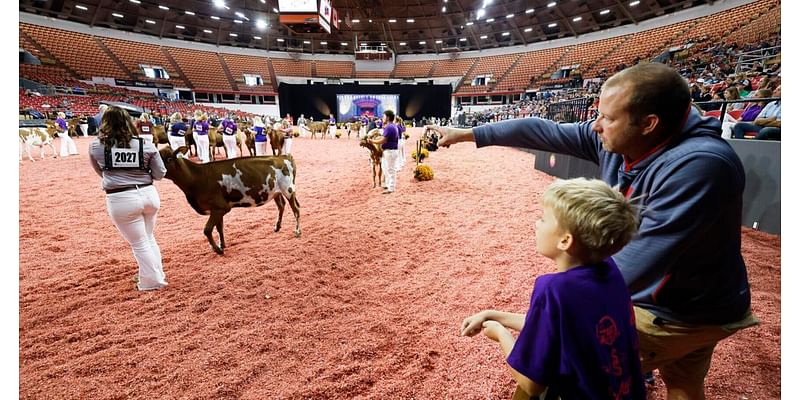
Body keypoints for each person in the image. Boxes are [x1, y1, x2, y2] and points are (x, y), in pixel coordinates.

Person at [430, 63, 757, 399]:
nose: (596, 125)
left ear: (648, 123)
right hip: (702, 302)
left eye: (608, 118)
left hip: (674, 313)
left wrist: (547, 306)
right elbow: (543, 131)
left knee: (554, 374)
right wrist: (468, 134)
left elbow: (628, 271)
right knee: (684, 384)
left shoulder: (700, 165)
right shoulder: (626, 138)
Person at [461, 178, 646, 399]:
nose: (536, 224)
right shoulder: (609, 270)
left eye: (543, 219)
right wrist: (492, 315)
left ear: (565, 241)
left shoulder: (553, 288)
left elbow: (531, 383)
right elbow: (554, 327)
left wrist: (500, 334)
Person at [88, 106, 167, 291]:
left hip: (120, 197)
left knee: (139, 243)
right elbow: (160, 173)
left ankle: (152, 282)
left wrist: (118, 176)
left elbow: (99, 171)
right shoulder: (145, 144)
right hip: (148, 194)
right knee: (148, 238)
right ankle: (156, 275)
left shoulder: (96, 145)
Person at [369, 110, 399, 194]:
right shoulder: (392, 126)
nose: (382, 118)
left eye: (384, 116)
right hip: (389, 151)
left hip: (390, 151)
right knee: (385, 168)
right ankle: (389, 185)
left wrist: (372, 141)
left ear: (388, 117)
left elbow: (383, 140)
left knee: (390, 169)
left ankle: (391, 188)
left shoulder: (389, 127)